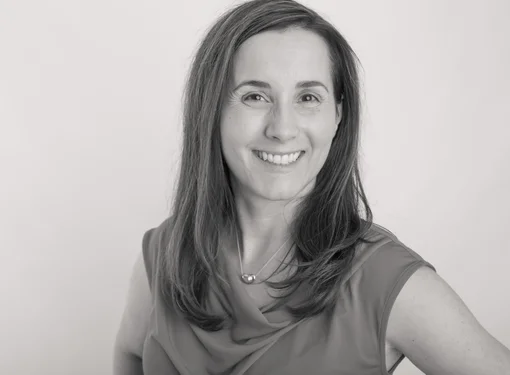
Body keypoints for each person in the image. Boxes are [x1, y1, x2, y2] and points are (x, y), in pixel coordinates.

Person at [113, 0, 510, 374]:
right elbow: (130, 352)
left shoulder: (388, 282)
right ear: (211, 110)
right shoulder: (164, 253)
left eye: (307, 97)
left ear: (338, 115)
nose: (282, 129)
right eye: (255, 95)